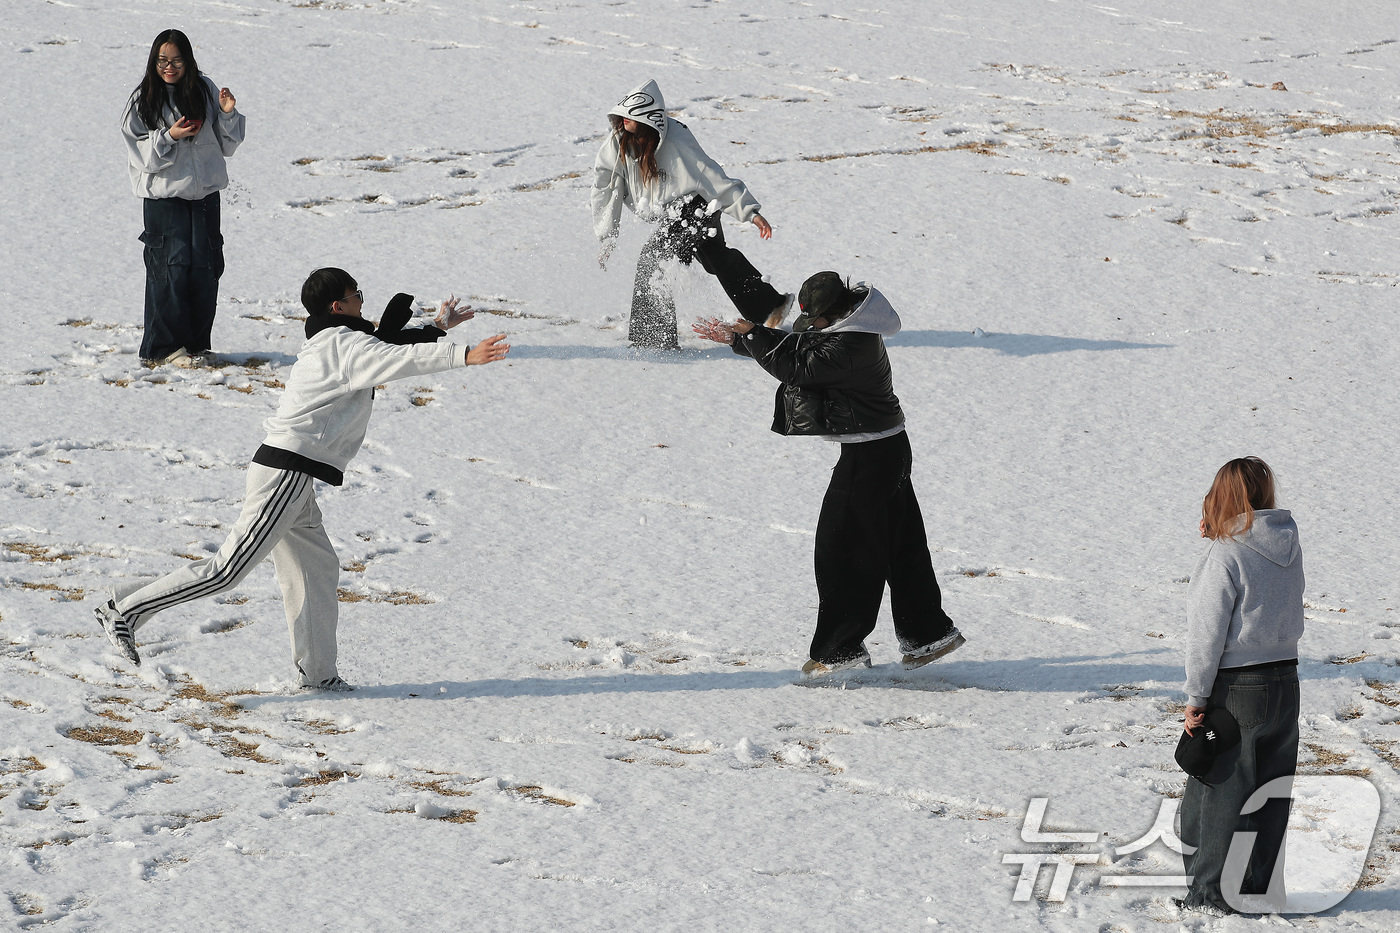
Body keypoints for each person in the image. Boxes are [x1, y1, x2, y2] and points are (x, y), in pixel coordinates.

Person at [93, 269, 511, 690]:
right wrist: (464, 354)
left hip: (292, 473)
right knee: (228, 571)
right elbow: (394, 358)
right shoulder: (343, 344)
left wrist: (437, 327)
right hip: (287, 472)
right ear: (338, 306)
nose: (362, 302)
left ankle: (318, 675)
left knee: (316, 570)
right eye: (357, 295)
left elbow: (383, 346)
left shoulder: (334, 340)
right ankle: (125, 611)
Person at [693, 271, 964, 677]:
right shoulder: (850, 329)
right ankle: (928, 633)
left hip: (870, 456)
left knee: (841, 550)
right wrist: (740, 339)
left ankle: (840, 651)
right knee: (898, 546)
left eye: (815, 319)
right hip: (885, 450)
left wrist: (751, 336)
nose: (811, 327)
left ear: (834, 313)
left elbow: (799, 365)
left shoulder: (849, 346)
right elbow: (799, 349)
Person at [1178, 457, 1303, 913]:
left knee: (1221, 791)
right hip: (1285, 681)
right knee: (1271, 791)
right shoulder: (1288, 544)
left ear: (1222, 496)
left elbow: (1206, 633)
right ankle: (1259, 890)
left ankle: (1210, 894)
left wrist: (1196, 698)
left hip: (1237, 688)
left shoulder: (1225, 555)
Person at [591, 79, 792, 350]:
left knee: (654, 259)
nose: (625, 120)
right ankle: (770, 305)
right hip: (672, 213)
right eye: (623, 114)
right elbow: (606, 188)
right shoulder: (617, 145)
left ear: (649, 120)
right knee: (716, 258)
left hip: (697, 207)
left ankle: (653, 341)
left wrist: (750, 212)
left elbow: (711, 176)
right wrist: (607, 235)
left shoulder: (677, 139)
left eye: (632, 116)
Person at [121, 29, 245, 367]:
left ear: (188, 60)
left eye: (176, 60)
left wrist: (229, 113)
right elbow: (140, 154)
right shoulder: (144, 98)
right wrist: (170, 136)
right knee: (169, 270)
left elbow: (227, 145)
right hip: (166, 200)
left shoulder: (204, 89)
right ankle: (162, 348)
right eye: (163, 60)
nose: (169, 67)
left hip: (204, 195)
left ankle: (194, 344)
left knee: (206, 270)